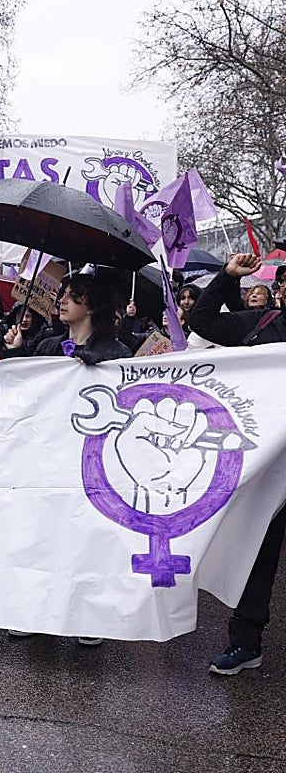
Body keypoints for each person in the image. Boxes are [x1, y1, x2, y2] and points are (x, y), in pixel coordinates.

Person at [190, 253, 286, 675]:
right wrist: (227, 277)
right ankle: (245, 643)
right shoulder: (263, 326)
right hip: (269, 470)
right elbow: (203, 322)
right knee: (259, 554)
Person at [6, 273, 131, 364]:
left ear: (93, 307)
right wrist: (14, 349)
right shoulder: (47, 347)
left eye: (72, 296)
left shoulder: (117, 353)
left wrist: (101, 366)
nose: (62, 301)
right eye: (64, 294)